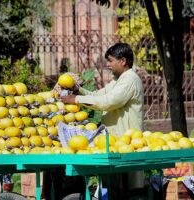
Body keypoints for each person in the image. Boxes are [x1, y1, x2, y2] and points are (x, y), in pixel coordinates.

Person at [60, 42, 145, 199]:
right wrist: (79, 91)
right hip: (114, 144)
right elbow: (99, 95)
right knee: (113, 189)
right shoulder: (118, 81)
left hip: (127, 143)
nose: (108, 65)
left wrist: (76, 99)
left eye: (111, 60)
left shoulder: (130, 80)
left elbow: (108, 102)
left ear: (123, 61)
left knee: (125, 192)